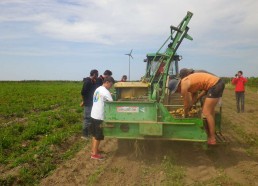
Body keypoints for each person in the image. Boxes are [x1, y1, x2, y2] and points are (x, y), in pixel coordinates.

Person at [168, 72, 225, 145]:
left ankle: (212, 138)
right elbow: (194, 96)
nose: (178, 92)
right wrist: (191, 104)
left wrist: (185, 115)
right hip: (217, 84)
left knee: (206, 112)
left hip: (215, 85)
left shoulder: (183, 86)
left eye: (176, 91)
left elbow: (186, 105)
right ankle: (211, 134)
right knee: (210, 112)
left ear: (177, 86)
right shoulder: (188, 83)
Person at [90, 76, 115, 160]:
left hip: (93, 114)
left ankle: (94, 150)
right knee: (98, 136)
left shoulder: (98, 89)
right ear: (107, 82)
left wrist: (109, 94)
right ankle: (95, 155)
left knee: (94, 134)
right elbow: (112, 102)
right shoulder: (105, 91)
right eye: (110, 85)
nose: (110, 87)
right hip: (99, 116)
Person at [81, 69, 99, 139]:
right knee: (87, 118)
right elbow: (83, 93)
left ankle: (89, 133)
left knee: (90, 118)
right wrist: (84, 101)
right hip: (88, 103)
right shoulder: (88, 82)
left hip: (91, 103)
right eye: (97, 74)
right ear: (94, 74)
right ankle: (84, 135)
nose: (97, 76)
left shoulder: (92, 81)